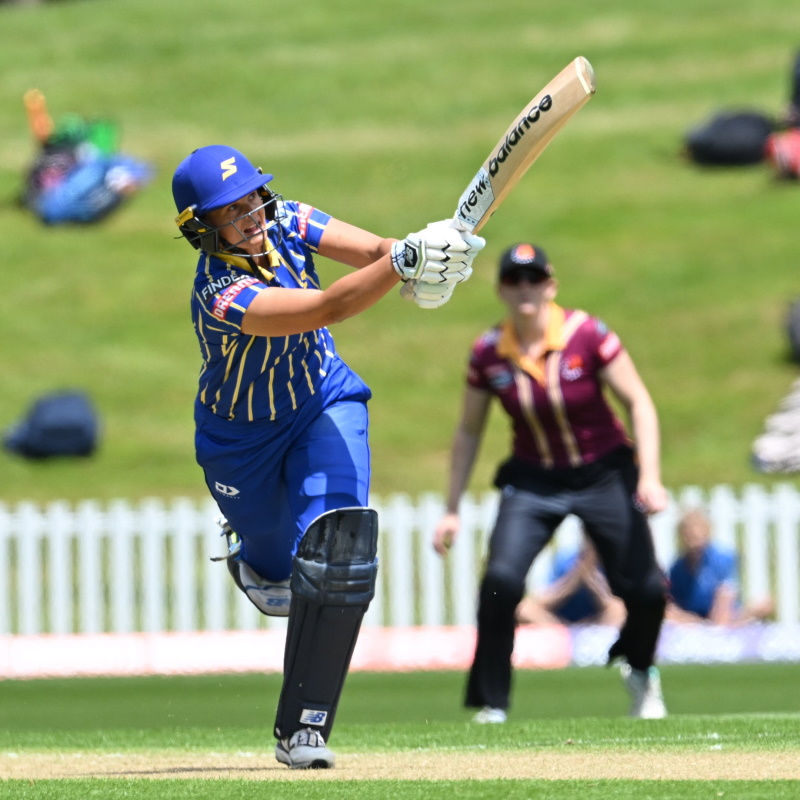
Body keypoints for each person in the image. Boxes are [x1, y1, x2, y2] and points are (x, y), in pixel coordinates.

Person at [171, 144, 484, 769]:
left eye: (252, 198)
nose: (251, 215)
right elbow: (325, 306)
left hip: (322, 397)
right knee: (280, 571)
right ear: (202, 231)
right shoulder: (219, 292)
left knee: (338, 546)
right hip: (242, 441)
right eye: (230, 212)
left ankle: (304, 728)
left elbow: (373, 252)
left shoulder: (287, 217)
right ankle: (255, 559)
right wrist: (403, 262)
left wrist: (426, 261)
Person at [432, 242, 669, 723]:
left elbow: (639, 402)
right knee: (500, 580)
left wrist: (650, 476)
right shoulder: (487, 352)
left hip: (604, 471)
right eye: (515, 280)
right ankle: (492, 702)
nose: (525, 289)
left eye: (534, 279)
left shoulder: (588, 335)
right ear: (500, 288)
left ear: (551, 285)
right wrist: (451, 508)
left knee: (646, 589)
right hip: (534, 478)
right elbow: (468, 431)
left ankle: (640, 670)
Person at [666, 508, 773, 625]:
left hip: (726, 617)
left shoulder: (723, 558)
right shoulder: (677, 567)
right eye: (689, 536)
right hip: (693, 621)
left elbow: (725, 599)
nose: (694, 542)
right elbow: (674, 606)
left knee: (763, 604)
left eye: (698, 536)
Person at [516, 533, 626, 628]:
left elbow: (617, 607)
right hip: (561, 624)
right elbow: (541, 601)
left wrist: (594, 582)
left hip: (597, 624)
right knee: (523, 609)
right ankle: (563, 635)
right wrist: (572, 581)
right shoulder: (566, 558)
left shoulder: (615, 564)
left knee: (621, 613)